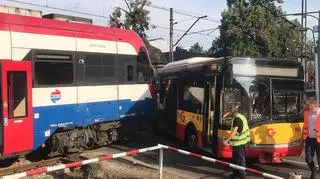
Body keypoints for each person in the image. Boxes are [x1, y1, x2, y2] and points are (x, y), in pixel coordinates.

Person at [224, 105, 250, 179]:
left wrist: (226, 140)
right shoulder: (242, 117)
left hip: (238, 144)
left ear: (232, 113)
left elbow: (234, 132)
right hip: (242, 142)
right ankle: (235, 174)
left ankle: (242, 176)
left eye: (229, 112)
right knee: (235, 160)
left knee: (240, 161)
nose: (228, 114)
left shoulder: (237, 120)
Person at [303, 97, 320, 179]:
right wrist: (302, 138)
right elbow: (305, 126)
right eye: (309, 106)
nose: (309, 108)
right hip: (309, 139)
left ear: (316, 105)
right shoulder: (306, 114)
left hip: (319, 140)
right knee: (308, 158)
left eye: (311, 107)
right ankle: (314, 170)